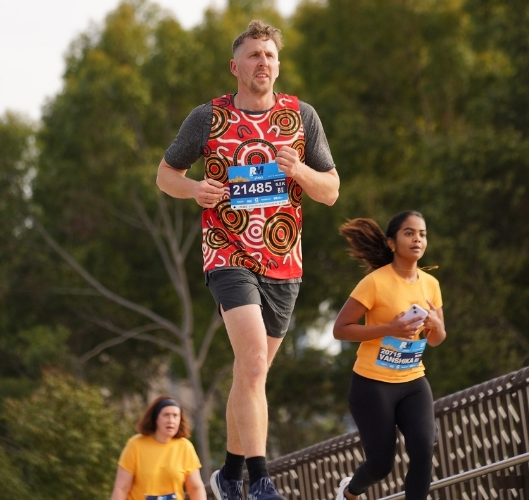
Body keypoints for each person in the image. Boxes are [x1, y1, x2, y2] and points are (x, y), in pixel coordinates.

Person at [156, 19, 339, 500]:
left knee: (250, 372)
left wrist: (297, 168)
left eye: (270, 56)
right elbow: (165, 174)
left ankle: (228, 475)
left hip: (283, 261)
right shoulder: (208, 117)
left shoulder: (302, 118)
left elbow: (331, 192)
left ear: (279, 66)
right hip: (227, 253)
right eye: (254, 55)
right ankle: (260, 480)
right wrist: (196, 189)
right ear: (234, 66)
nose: (263, 62)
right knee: (253, 359)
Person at [332, 211, 447, 500]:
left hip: (413, 381)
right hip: (372, 385)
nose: (417, 239)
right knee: (381, 465)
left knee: (423, 451)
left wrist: (435, 326)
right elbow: (340, 329)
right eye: (409, 233)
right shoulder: (374, 282)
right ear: (392, 243)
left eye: (422, 234)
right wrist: (390, 328)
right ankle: (349, 492)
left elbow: (436, 339)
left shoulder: (430, 284)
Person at [110, 396, 206, 500]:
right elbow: (122, 488)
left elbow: (196, 488)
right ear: (155, 418)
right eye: (166, 415)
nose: (171, 420)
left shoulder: (185, 447)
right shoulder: (135, 445)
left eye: (175, 416)